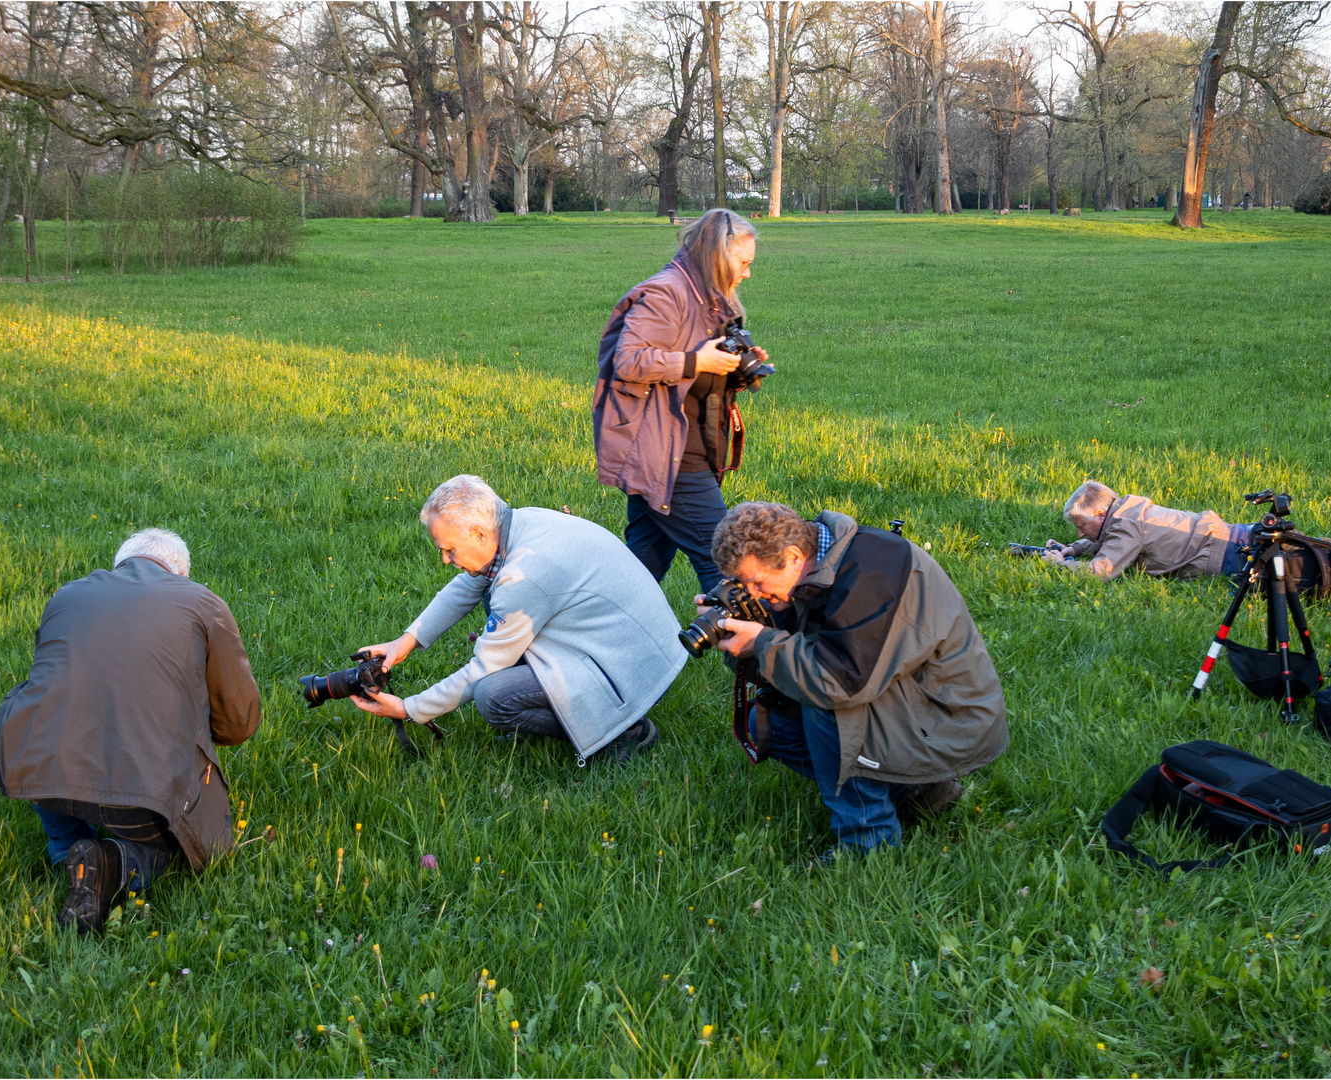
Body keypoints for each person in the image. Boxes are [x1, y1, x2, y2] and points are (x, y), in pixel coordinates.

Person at [0, 528, 262, 934]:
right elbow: (239, 722)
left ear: (119, 566)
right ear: (179, 574)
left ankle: (67, 850)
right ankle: (110, 862)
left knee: (41, 720)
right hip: (141, 799)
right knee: (171, 847)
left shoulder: (68, 595)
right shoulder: (201, 601)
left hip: (46, 777)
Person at [707, 502, 1008, 863]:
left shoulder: (874, 570)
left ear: (791, 557)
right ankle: (918, 792)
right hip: (906, 703)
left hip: (948, 718)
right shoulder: (815, 567)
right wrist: (741, 633)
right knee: (769, 723)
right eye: (743, 585)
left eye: (756, 582)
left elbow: (839, 682)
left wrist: (761, 641)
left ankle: (868, 845)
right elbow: (788, 668)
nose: (754, 592)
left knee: (828, 706)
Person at [353, 475, 686, 765]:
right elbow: (469, 585)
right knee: (488, 593)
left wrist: (409, 708)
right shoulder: (519, 525)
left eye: (450, 550)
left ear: (479, 534)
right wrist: (405, 642)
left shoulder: (525, 574)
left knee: (493, 696)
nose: (445, 559)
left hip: (636, 671)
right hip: (636, 647)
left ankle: (623, 731)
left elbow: (484, 669)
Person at [593, 207, 771, 595]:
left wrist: (735, 367)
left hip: (680, 445)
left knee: (639, 570)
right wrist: (697, 360)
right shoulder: (666, 294)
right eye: (743, 263)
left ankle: (583, 636)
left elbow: (698, 374)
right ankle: (752, 653)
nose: (747, 273)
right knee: (726, 562)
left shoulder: (709, 297)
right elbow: (628, 360)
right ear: (718, 257)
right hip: (666, 456)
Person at [1043, 479, 1331, 585]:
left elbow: (1103, 570)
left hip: (1245, 559)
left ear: (1103, 514)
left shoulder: (1125, 528)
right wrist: (1076, 545)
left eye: (1083, 524)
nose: (1085, 532)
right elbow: (1106, 543)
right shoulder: (1132, 510)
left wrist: (1061, 564)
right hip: (1249, 535)